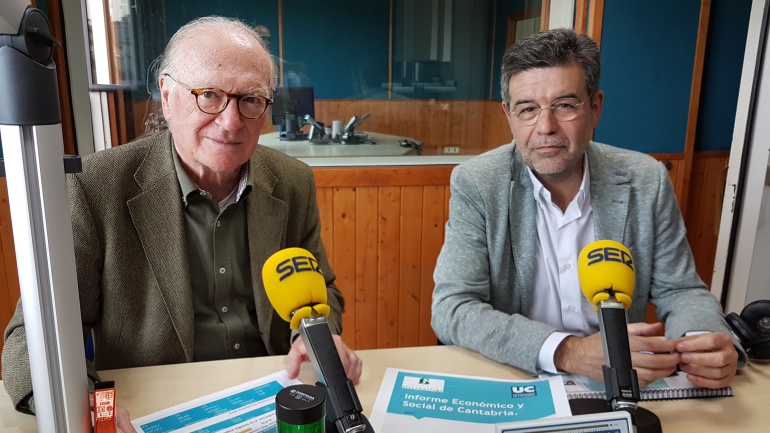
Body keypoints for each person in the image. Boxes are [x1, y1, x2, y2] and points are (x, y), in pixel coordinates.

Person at [2, 16, 361, 430]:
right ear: (167, 97)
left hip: (274, 397)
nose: (231, 122)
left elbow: (323, 290)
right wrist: (89, 405)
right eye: (209, 95)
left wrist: (315, 336)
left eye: (250, 99)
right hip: (154, 407)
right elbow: (29, 341)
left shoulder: (293, 181)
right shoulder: (95, 188)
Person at [431, 28, 744, 391]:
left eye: (564, 105)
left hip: (622, 383)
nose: (545, 127)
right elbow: (452, 307)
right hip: (515, 376)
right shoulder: (478, 182)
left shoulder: (646, 179)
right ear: (509, 115)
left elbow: (681, 290)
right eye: (527, 109)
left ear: (595, 107)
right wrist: (569, 351)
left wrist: (703, 341)